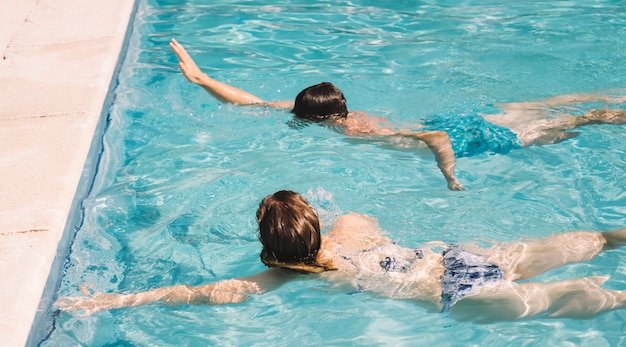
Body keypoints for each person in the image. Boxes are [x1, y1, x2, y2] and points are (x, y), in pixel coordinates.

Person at [56, 190, 626, 323]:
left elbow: (197, 293)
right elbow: (366, 221)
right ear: (318, 224)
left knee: (561, 301)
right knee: (586, 241)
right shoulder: (352, 227)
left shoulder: (279, 277)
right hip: (454, 257)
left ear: (270, 248)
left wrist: (113, 300)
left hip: (450, 293)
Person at [169, 38, 626, 191]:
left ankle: (605, 113)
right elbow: (253, 102)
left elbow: (436, 140)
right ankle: (605, 94)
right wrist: (203, 79)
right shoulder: (330, 111)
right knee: (531, 109)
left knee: (554, 128)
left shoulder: (360, 132)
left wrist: (449, 177)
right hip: (450, 115)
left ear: (323, 118)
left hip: (460, 136)